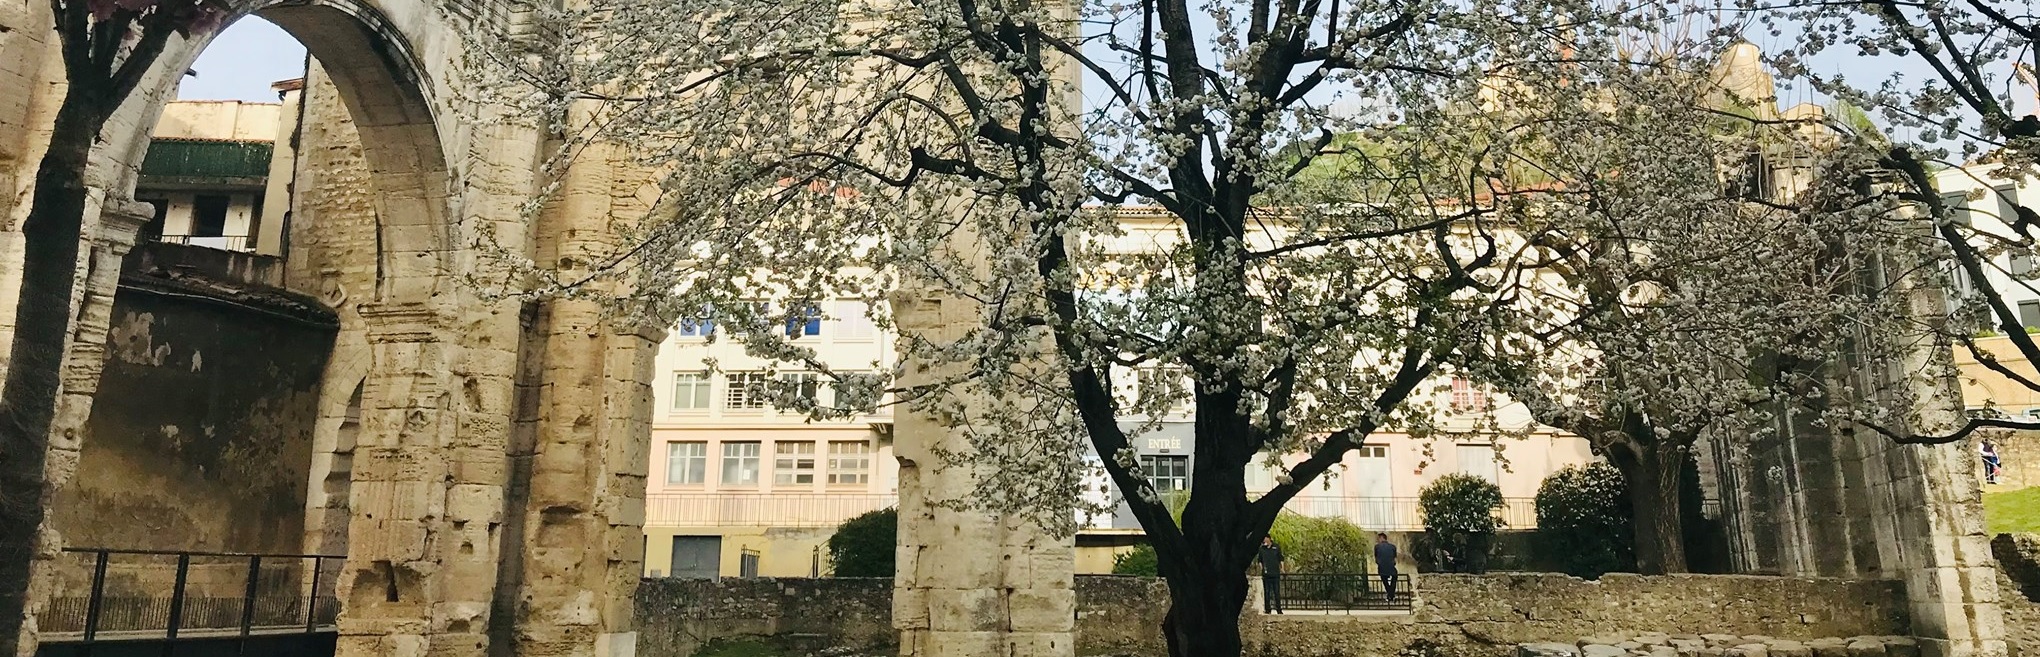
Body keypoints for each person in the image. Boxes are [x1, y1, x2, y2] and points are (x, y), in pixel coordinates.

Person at [1258, 536, 1284, 614]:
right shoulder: (1262, 549)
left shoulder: (1276, 547)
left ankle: (1278, 609)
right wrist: (1262, 569)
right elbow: (1260, 560)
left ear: (1269, 539)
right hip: (1266, 574)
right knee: (1267, 592)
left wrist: (1282, 568)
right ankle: (1267, 609)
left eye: (1265, 538)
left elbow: (1281, 559)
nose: (1264, 540)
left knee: (1276, 592)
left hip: (1275, 573)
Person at [1374, 533, 1400, 603]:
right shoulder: (1393, 547)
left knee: (1384, 580)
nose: (1378, 540)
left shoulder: (1377, 547)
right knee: (1394, 577)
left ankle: (1390, 595)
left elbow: (1376, 558)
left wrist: (1379, 563)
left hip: (1382, 568)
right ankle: (1391, 595)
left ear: (1381, 538)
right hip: (1391, 567)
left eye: (1378, 538)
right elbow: (1394, 559)